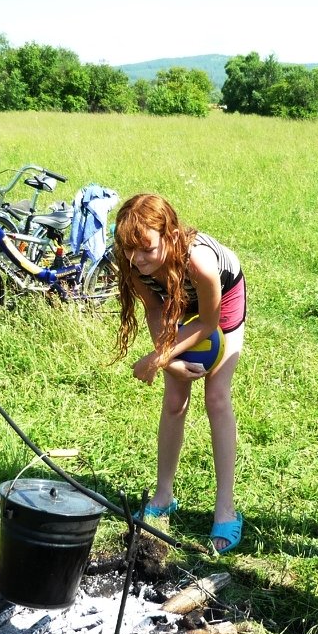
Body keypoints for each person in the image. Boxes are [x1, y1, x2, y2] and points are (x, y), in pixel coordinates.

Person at [112, 193, 246, 553]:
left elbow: (207, 321)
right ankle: (163, 495)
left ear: (169, 235)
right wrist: (167, 360)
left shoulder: (199, 262)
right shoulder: (130, 259)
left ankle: (226, 510)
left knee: (216, 397)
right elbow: (156, 308)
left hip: (219, 301)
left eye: (146, 249)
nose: (136, 259)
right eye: (128, 249)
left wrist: (155, 360)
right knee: (174, 400)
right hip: (174, 300)